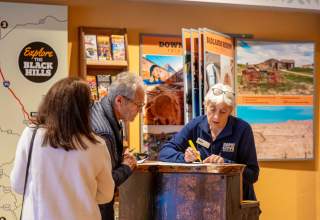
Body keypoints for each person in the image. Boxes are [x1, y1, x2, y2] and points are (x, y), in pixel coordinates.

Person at [10, 78, 114, 220]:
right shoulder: (97, 144)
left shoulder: (31, 135)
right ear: (84, 109)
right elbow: (106, 195)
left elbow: (18, 184)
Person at [159, 83, 259, 200]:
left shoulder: (242, 129)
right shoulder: (195, 125)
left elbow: (253, 174)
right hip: (202, 200)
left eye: (223, 112)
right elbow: (164, 152)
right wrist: (184, 158)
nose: (216, 117)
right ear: (205, 106)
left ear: (230, 111)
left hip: (236, 200)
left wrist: (225, 164)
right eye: (212, 110)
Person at [91, 72, 145, 220]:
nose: (140, 111)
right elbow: (103, 185)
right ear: (120, 100)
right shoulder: (104, 132)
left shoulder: (102, 111)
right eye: (138, 105)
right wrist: (127, 166)